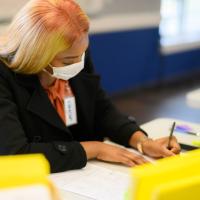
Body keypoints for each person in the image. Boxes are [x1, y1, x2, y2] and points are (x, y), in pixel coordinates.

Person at [0, 0, 180, 173]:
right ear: (37, 54)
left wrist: (141, 141)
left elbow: (102, 110)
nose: (79, 63)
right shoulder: (5, 76)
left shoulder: (76, 51)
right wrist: (95, 149)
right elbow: (15, 154)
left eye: (83, 54)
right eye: (68, 60)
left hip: (83, 176)